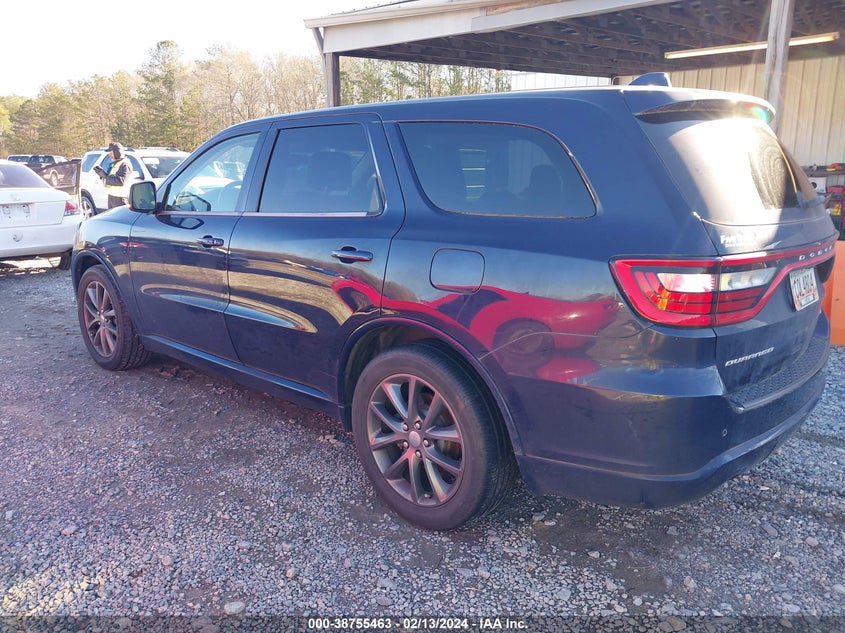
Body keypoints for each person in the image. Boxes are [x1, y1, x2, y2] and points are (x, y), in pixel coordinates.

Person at [93, 142, 133, 209]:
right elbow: (111, 177)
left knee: (120, 219)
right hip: (112, 197)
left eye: (111, 153)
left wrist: (105, 176)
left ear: (117, 153)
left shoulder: (125, 164)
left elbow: (121, 181)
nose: (109, 155)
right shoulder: (115, 163)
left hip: (120, 198)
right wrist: (102, 174)